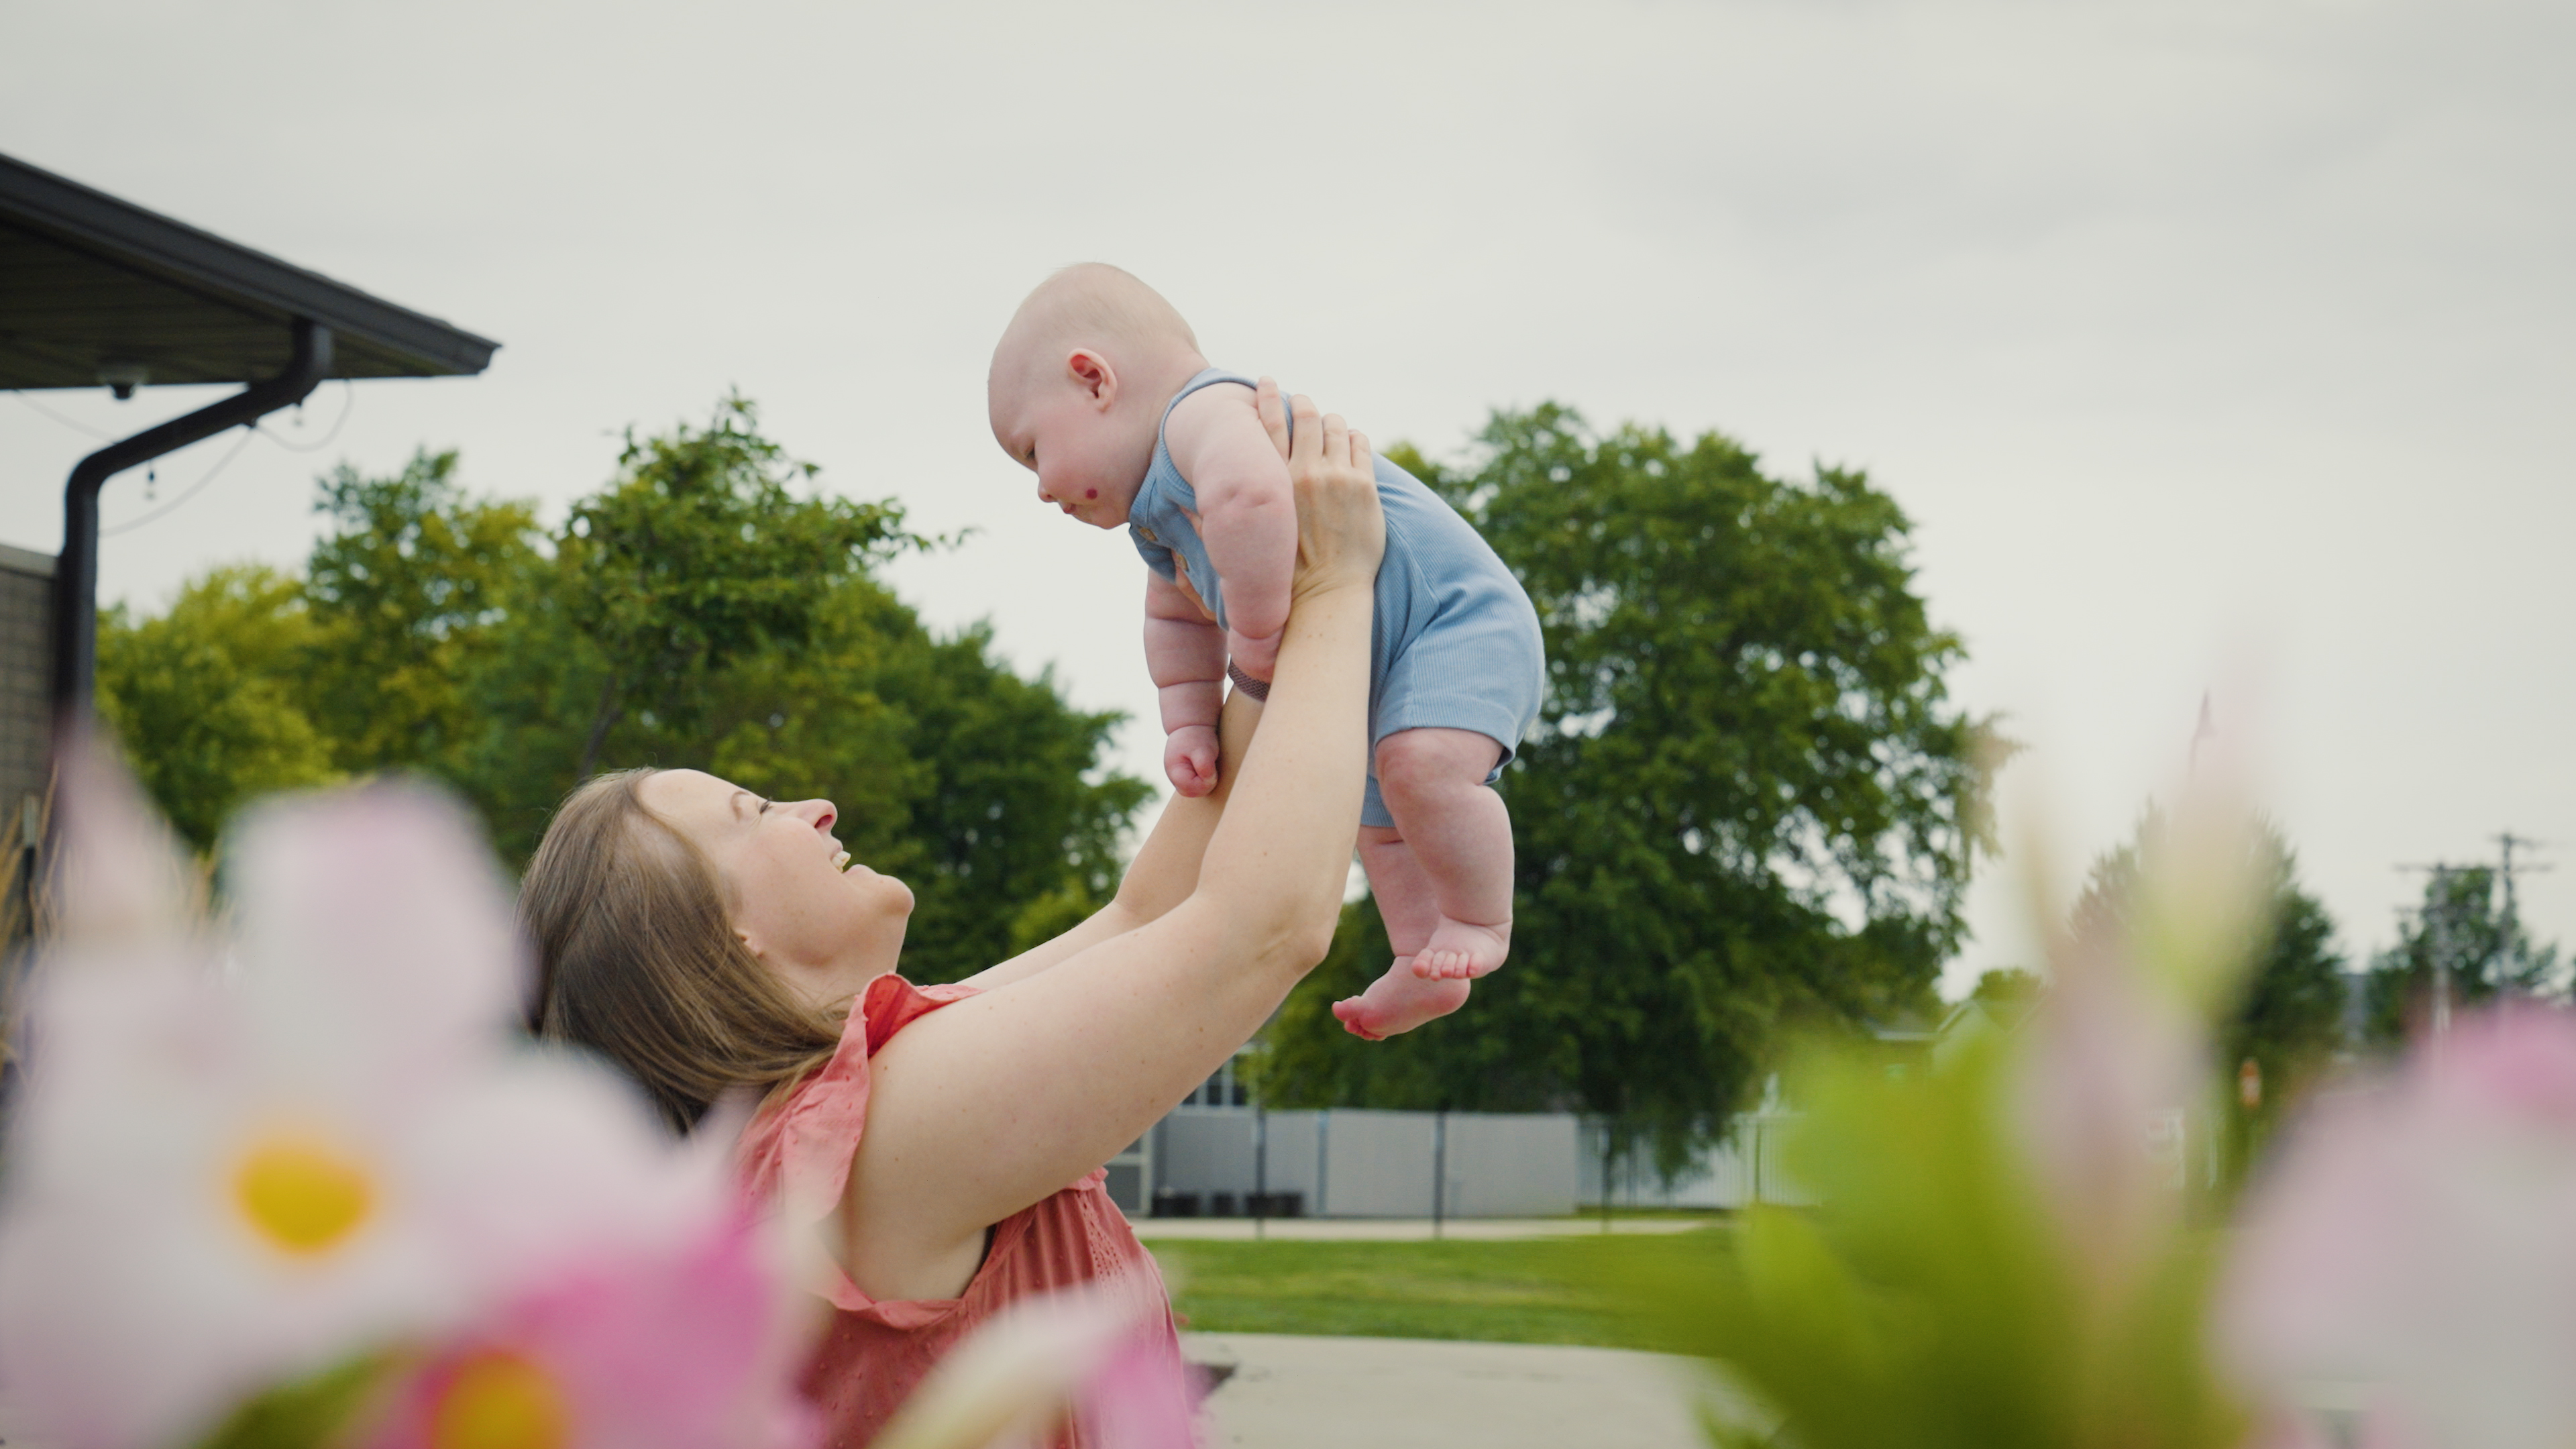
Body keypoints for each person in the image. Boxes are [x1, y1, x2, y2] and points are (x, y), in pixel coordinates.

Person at [518, 385, 1383, 1447]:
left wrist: (1259, 639)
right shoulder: (864, 1141)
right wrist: (1341, 584)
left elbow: (1155, 909)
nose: (815, 806)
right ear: (718, 939)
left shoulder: (867, 1090)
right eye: (756, 812)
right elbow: (1262, 929)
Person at [985, 264, 1545, 1040]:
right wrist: (1187, 723)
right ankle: (1420, 957)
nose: (1042, 490)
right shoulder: (1156, 521)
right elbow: (1178, 624)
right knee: (1377, 819)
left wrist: (1253, 636)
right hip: (1382, 663)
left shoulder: (1203, 413)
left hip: (1453, 622)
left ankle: (1482, 921)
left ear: (1094, 381)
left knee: (1420, 769)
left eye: (1032, 451)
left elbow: (1251, 499)